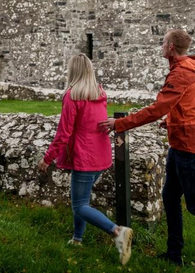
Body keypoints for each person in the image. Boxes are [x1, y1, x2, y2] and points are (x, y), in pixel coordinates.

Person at [99, 29, 195, 270]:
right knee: (170, 197)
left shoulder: (181, 72)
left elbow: (156, 109)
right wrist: (172, 121)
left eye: (164, 42)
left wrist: (120, 123)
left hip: (189, 148)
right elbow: (189, 105)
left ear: (171, 47)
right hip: (181, 143)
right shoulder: (186, 68)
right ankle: (174, 253)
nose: (161, 45)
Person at [39, 53, 134, 265]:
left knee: (80, 205)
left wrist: (48, 158)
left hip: (85, 157)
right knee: (83, 201)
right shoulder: (99, 93)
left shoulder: (72, 96)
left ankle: (118, 232)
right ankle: (77, 239)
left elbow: (64, 133)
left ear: (73, 71)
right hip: (100, 156)